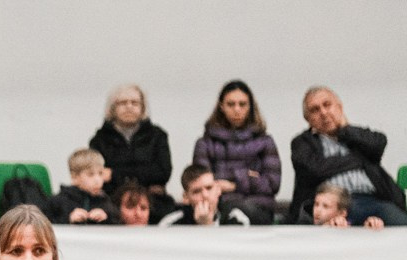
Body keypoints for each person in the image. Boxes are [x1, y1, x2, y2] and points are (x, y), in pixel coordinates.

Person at [288, 87, 407, 227]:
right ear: (308, 119)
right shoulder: (302, 142)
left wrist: (345, 129)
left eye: (327, 105)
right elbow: (315, 169)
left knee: (402, 225)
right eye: (315, 110)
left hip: (371, 200)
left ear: (339, 107)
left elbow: (379, 144)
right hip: (329, 204)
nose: (323, 112)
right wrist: (359, 159)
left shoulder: (357, 136)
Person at [192, 79, 281, 224]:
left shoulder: (265, 142)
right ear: (221, 106)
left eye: (242, 104)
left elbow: (272, 184)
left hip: (259, 210)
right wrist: (249, 176)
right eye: (231, 104)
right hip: (218, 209)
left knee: (240, 211)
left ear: (250, 106)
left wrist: (233, 184)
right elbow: (203, 183)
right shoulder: (205, 143)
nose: (237, 109)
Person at [88, 83, 173, 206]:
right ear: (112, 108)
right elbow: (98, 177)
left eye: (134, 103)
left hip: (152, 203)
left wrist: (114, 174)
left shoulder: (157, 136)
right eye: (123, 103)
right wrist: (143, 174)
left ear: (143, 107)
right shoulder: (99, 140)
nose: (129, 107)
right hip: (112, 203)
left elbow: (162, 173)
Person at [158, 164, 255, 227]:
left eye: (209, 188)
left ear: (218, 190)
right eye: (196, 191)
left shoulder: (235, 218)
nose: (205, 195)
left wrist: (207, 225)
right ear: (186, 197)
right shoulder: (169, 225)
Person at [48, 149, 113, 225]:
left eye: (100, 173)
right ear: (75, 177)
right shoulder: (59, 201)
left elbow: (119, 223)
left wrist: (107, 218)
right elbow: (46, 225)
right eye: (90, 174)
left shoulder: (105, 200)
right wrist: (68, 219)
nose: (98, 180)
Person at [311, 182, 387, 230]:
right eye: (316, 204)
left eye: (325, 206)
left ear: (342, 213)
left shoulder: (349, 227)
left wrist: (370, 227)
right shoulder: (304, 220)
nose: (318, 210)